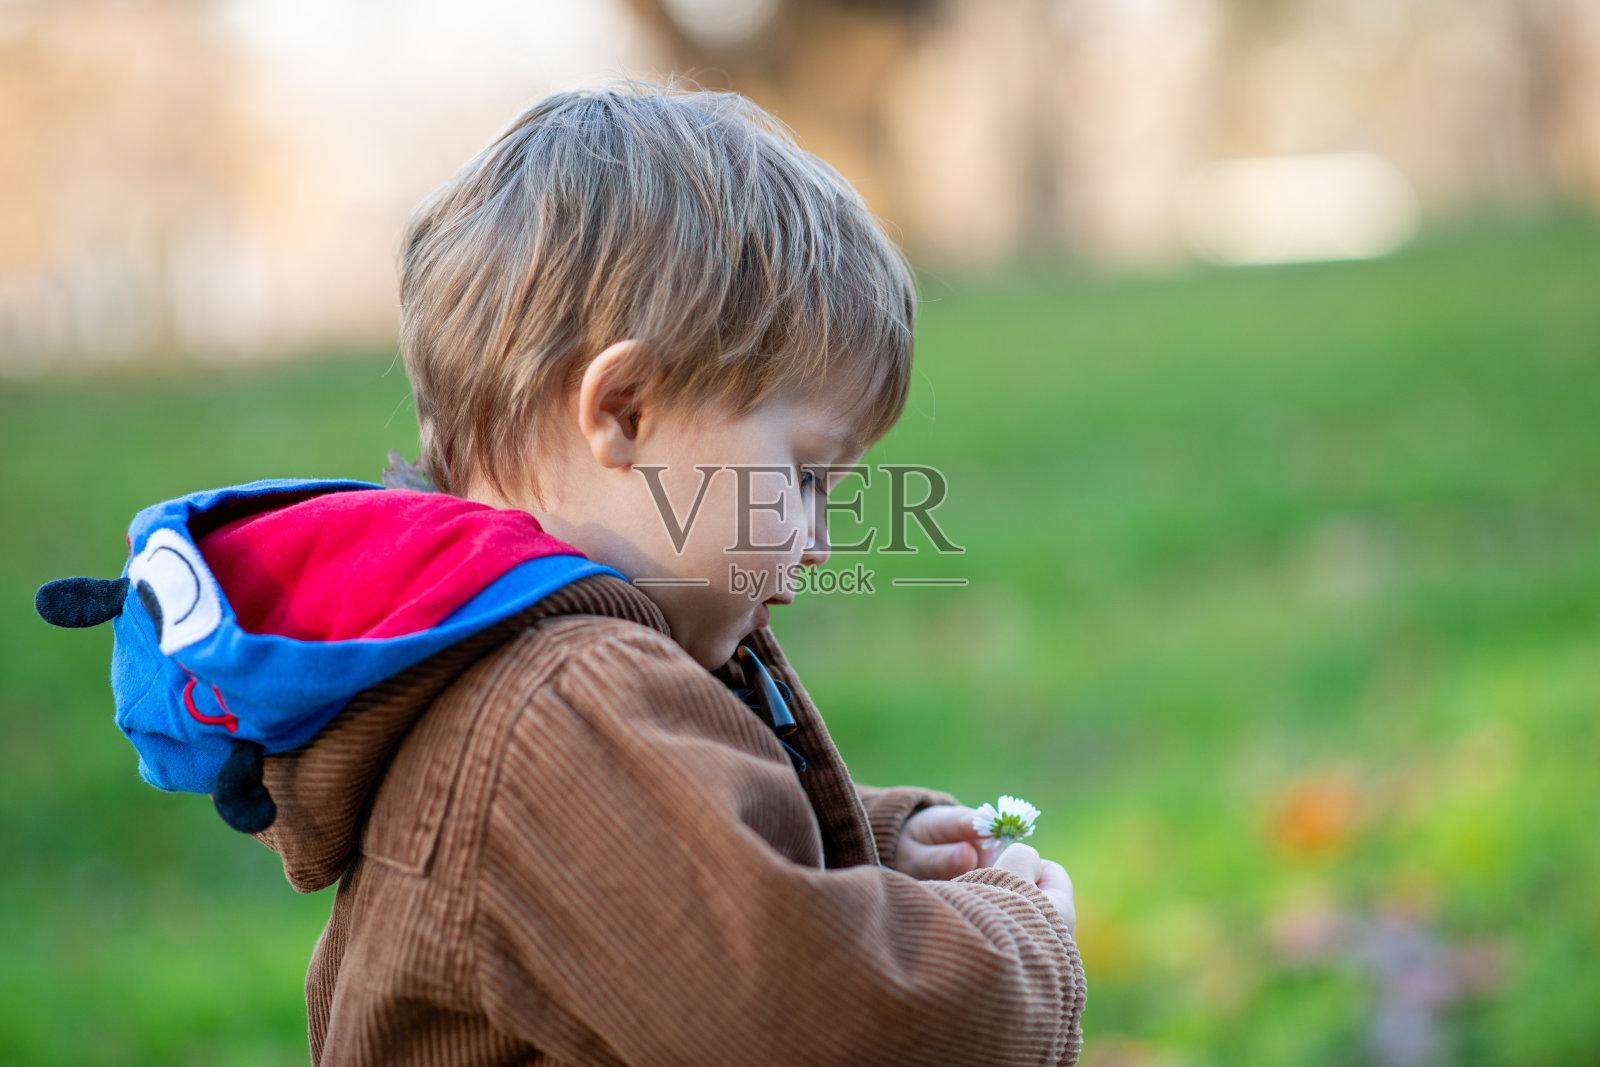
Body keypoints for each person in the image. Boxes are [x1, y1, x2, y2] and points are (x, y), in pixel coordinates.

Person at [38, 83, 1084, 1066]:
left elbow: (678, 854)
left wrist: (875, 841)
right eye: (804, 473)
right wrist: (1020, 938)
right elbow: (816, 1016)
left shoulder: (536, 672)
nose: (817, 535)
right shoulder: (563, 703)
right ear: (623, 411)